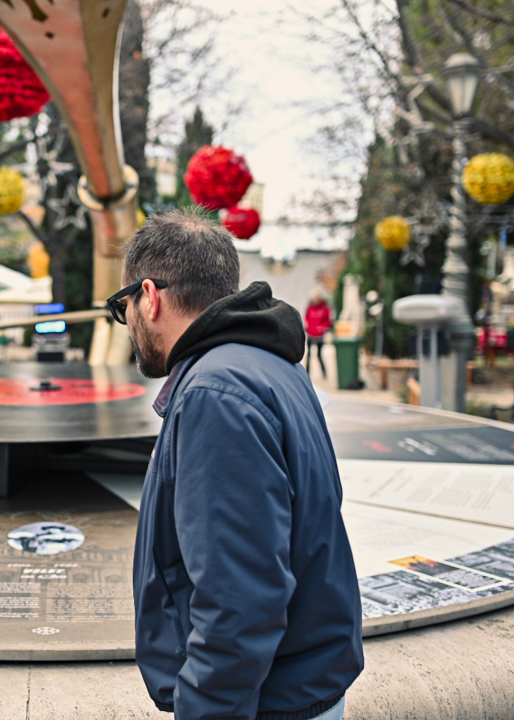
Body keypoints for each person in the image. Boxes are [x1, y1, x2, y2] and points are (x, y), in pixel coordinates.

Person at [107, 209, 363, 720]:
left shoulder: (214, 394)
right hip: (299, 688)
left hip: (268, 705)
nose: (128, 322)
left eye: (124, 306)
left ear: (150, 296)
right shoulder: (270, 362)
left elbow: (238, 601)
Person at [304, 292, 333, 379]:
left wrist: (322, 328)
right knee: (308, 354)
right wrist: (308, 327)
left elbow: (328, 322)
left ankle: (324, 373)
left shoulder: (325, 309)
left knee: (319, 355)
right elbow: (306, 318)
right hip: (311, 334)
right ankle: (306, 373)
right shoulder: (310, 308)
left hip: (320, 335)